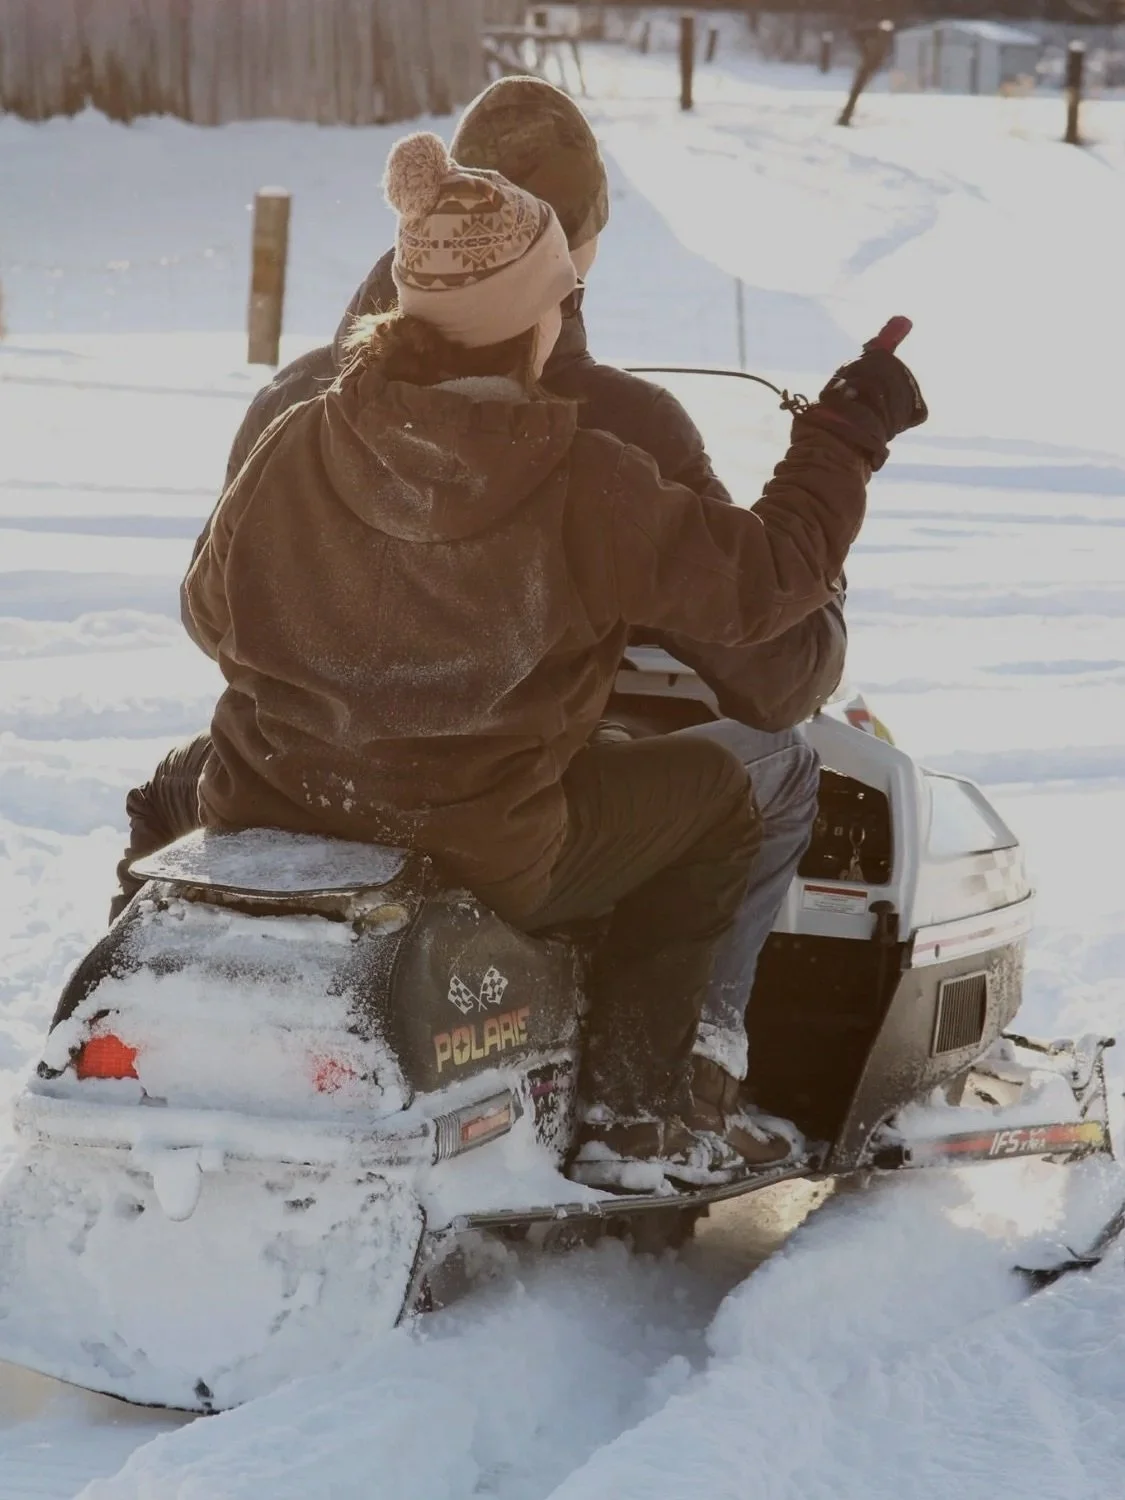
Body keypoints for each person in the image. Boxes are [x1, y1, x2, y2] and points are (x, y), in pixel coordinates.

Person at [111, 79, 891, 1140]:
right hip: (481, 833)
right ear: (547, 301)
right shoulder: (587, 463)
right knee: (720, 797)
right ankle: (641, 1108)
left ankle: (140, 1017)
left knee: (164, 794)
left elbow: (212, 614)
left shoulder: (296, 423)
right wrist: (841, 442)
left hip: (278, 791)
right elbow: (762, 608)